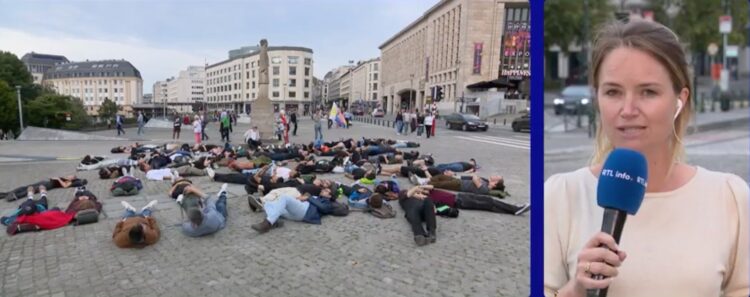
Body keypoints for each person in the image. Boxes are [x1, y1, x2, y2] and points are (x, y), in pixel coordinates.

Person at [544, 21, 749, 297]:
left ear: (680, 100)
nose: (628, 110)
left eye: (648, 92)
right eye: (613, 92)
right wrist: (577, 289)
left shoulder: (729, 197)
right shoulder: (561, 195)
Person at [2, 176, 87, 202]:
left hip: (50, 185)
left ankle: (14, 196)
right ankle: (6, 194)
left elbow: (65, 186)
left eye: (73, 176)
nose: (71, 175)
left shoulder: (71, 182)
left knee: (32, 189)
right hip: (46, 182)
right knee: (27, 186)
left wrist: (58, 179)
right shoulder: (68, 179)